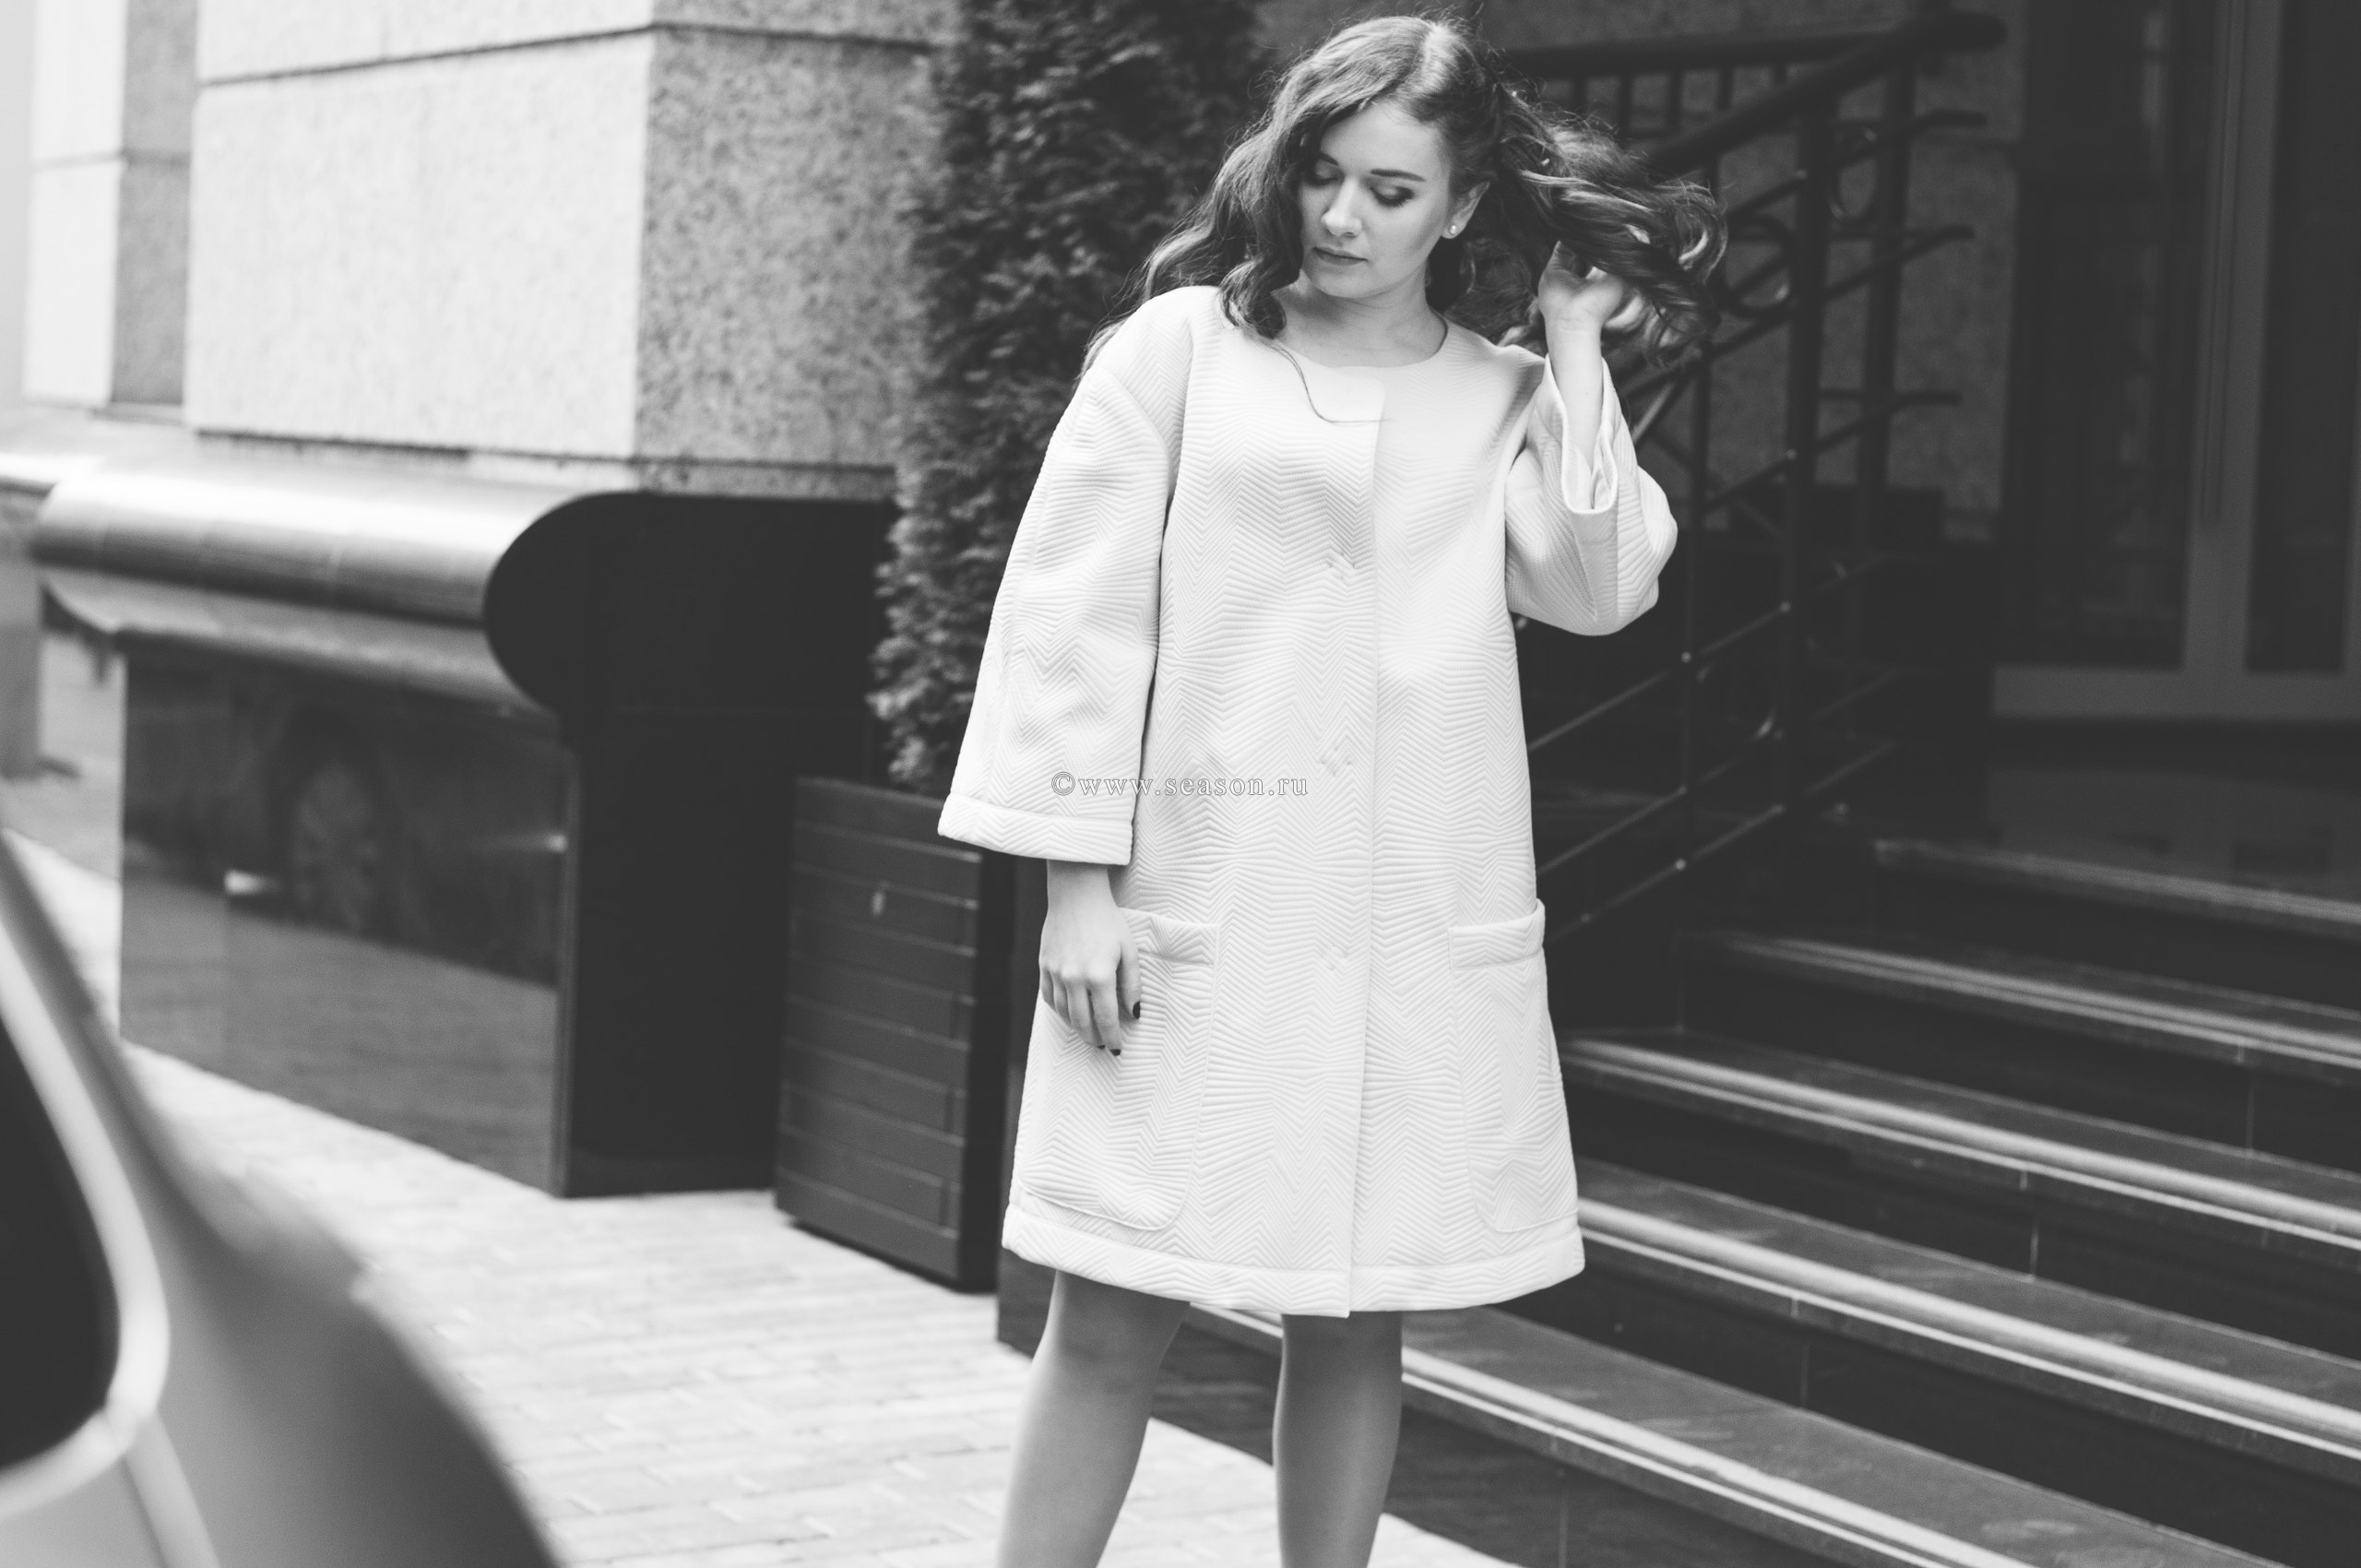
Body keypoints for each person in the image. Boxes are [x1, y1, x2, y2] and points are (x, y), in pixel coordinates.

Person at [934, 15, 1723, 1567]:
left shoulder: (1502, 394)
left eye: (1391, 190)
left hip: (1403, 931)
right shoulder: (1179, 351)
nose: (1343, 217)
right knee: (1111, 1309)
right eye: (1321, 174)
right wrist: (1076, 886)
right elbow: (1072, 621)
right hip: (1189, 916)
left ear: (1465, 203)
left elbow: (1599, 585)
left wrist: (1574, 345)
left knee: (1358, 1317)